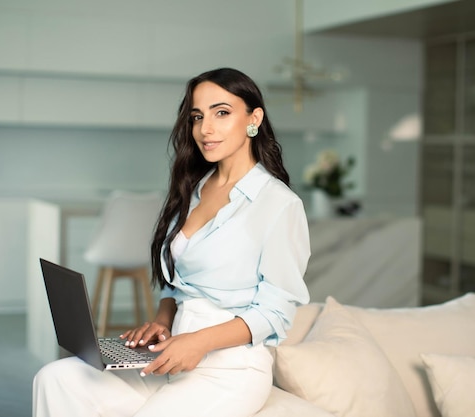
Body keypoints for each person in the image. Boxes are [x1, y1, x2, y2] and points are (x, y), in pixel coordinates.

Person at [33, 67, 311, 417]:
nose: (205, 129)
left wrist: (198, 342)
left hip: (231, 370)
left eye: (221, 113)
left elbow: (277, 311)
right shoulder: (195, 188)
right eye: (197, 116)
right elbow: (177, 286)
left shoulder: (279, 204)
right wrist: (162, 322)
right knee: (56, 378)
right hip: (171, 355)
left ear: (254, 118)